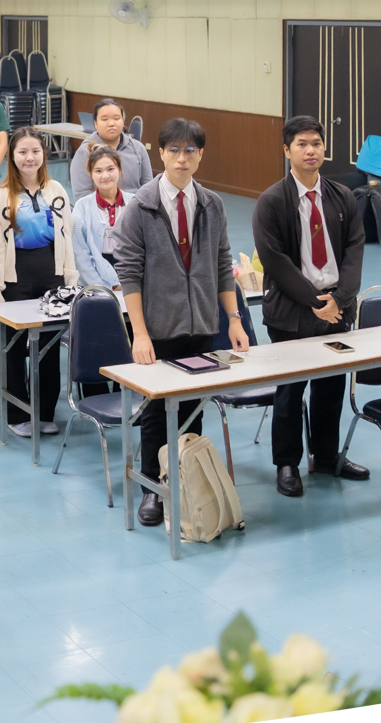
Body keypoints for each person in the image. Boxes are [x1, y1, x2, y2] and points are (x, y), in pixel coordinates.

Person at [120, 119, 250, 528]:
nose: (182, 158)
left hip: (201, 326)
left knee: (194, 410)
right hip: (158, 329)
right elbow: (129, 275)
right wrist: (140, 334)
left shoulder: (212, 204)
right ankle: (152, 489)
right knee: (156, 413)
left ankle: (188, 481)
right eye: (174, 150)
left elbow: (223, 264)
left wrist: (233, 320)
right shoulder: (141, 206)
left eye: (190, 150)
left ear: (200, 154)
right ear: (160, 153)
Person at [252, 115, 371, 495]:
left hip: (337, 308)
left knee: (331, 386)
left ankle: (326, 456)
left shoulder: (342, 197)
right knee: (290, 390)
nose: (310, 150)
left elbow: (354, 250)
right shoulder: (272, 201)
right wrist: (315, 301)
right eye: (301, 144)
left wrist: (340, 299)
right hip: (292, 311)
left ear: (324, 149)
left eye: (316, 143)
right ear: (287, 150)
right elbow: (275, 261)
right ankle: (287, 463)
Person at [0, 127, 77, 438]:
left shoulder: (57, 190)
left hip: (51, 275)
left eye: (35, 151)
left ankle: (45, 411)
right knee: (14, 348)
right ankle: (17, 413)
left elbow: (67, 238)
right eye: (23, 152)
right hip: (16, 277)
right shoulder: (0, 196)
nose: (30, 157)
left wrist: (70, 278)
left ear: (43, 154)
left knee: (49, 348)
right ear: (12, 156)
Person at [68, 98, 156, 202]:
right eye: (104, 119)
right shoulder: (85, 152)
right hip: (100, 209)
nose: (111, 123)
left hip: (135, 207)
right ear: (96, 124)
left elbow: (148, 188)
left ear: (122, 121)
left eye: (116, 118)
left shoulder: (138, 148)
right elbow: (81, 195)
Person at [70, 147, 131, 293]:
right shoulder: (82, 207)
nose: (105, 176)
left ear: (119, 170)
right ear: (90, 174)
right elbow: (80, 255)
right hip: (95, 276)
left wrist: (129, 283)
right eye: (98, 171)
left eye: (110, 169)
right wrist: (103, 286)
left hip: (130, 273)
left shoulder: (134, 203)